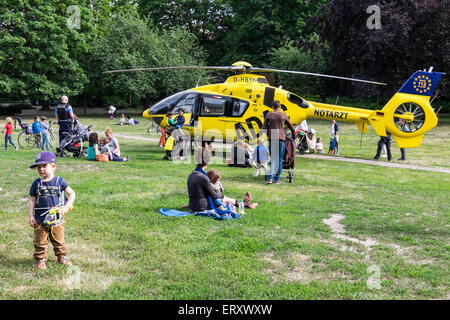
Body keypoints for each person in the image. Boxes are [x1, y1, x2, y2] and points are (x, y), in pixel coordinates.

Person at [28, 151, 76, 270]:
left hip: (57, 220)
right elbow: (32, 199)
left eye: (44, 166)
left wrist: (66, 206)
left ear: (53, 166)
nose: (41, 169)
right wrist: (30, 216)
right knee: (40, 241)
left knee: (59, 239)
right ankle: (40, 259)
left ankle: (62, 256)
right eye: (39, 167)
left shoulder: (60, 181)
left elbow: (72, 193)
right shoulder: (36, 183)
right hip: (40, 219)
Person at [262, 100, 296, 185]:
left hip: (272, 137)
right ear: (280, 106)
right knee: (280, 159)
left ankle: (270, 178)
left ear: (272, 107)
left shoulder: (269, 114)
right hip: (281, 138)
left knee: (273, 159)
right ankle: (277, 179)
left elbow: (264, 128)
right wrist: (294, 137)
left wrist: (268, 135)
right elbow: (292, 127)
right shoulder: (283, 115)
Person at [187, 148, 223, 212]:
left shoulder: (191, 175)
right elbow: (214, 195)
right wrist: (222, 195)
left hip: (192, 206)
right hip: (202, 207)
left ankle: (241, 202)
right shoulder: (203, 177)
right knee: (221, 199)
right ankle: (239, 203)